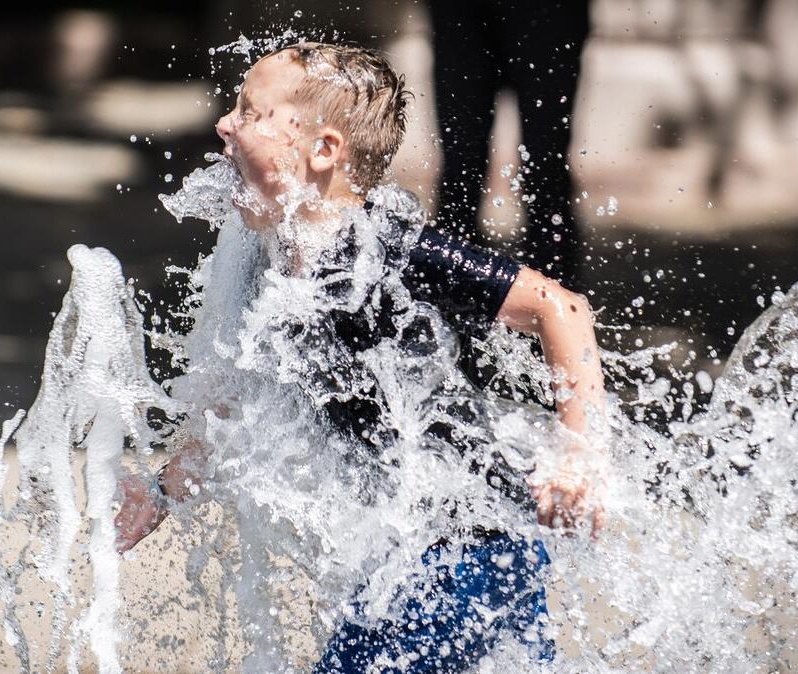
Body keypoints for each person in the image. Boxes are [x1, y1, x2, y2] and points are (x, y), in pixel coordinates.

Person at [115, 43, 607, 671]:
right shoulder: (274, 264)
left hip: (470, 548)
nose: (225, 125)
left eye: (250, 112)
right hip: (423, 550)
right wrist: (162, 491)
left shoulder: (384, 247)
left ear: (323, 150)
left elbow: (559, 308)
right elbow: (237, 403)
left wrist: (579, 457)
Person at [431, 0, 590, 289]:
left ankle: (553, 298)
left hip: (549, 12)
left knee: (546, 165)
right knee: (460, 165)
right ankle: (448, 293)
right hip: (461, 11)